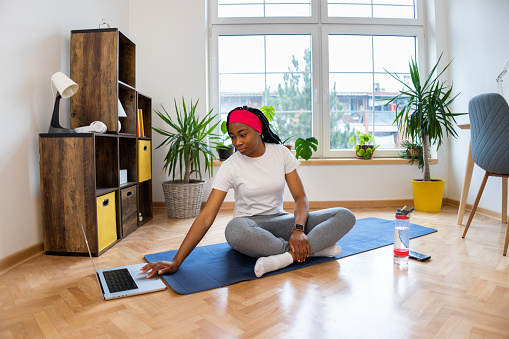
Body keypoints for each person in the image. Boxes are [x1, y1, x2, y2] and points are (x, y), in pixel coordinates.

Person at [141, 106, 356, 278]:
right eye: (232, 137)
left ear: (258, 130)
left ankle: (285, 256)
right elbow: (207, 217)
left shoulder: (281, 154)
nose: (237, 142)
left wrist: (298, 230)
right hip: (250, 228)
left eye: (242, 135)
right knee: (234, 230)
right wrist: (177, 260)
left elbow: (300, 197)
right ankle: (311, 250)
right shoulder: (231, 166)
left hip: (281, 223)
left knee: (345, 215)